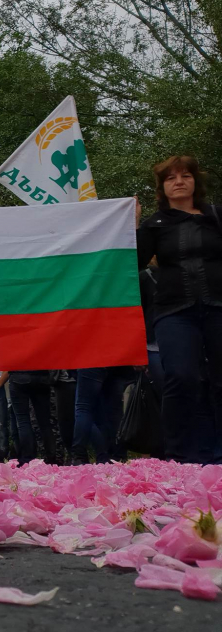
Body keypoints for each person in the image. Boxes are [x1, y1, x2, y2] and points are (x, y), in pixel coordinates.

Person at [137, 155, 222, 463]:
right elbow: (131, 264)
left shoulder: (216, 215)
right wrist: (131, 226)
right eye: (171, 178)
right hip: (174, 311)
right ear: (163, 188)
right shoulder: (154, 224)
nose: (179, 181)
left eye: (185, 176)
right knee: (181, 376)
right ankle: (179, 455)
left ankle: (217, 453)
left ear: (195, 182)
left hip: (218, 306)